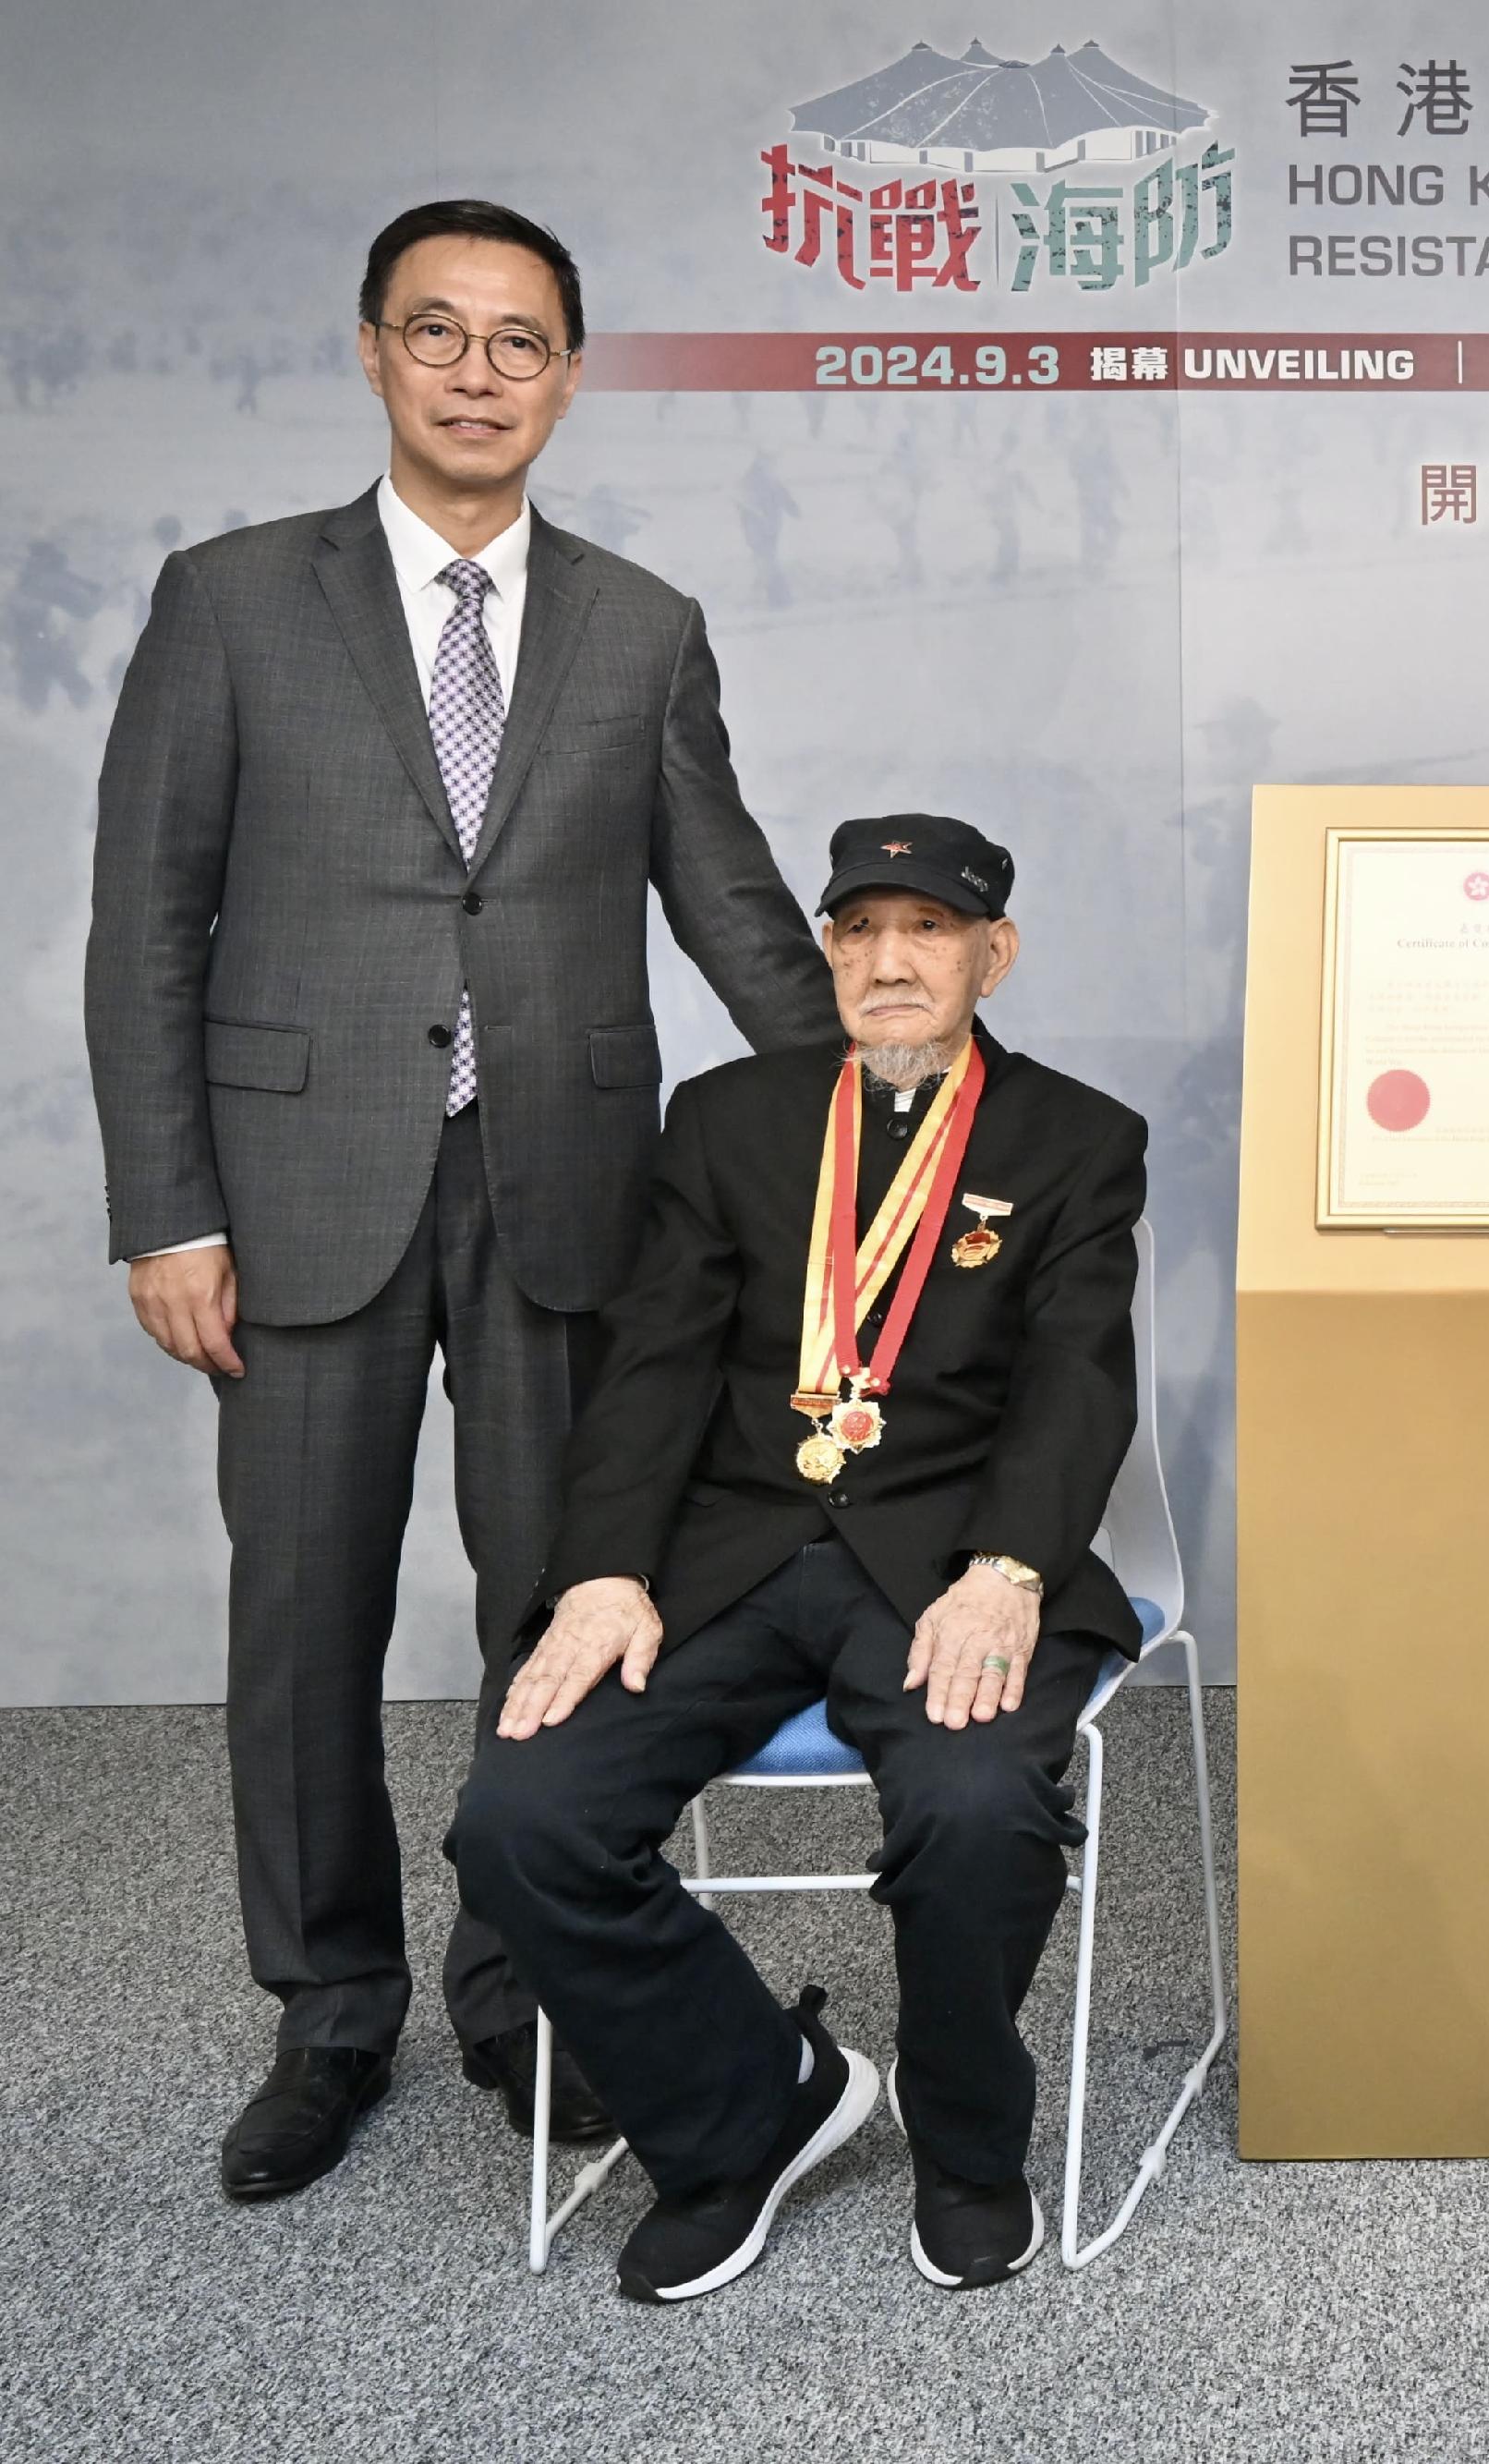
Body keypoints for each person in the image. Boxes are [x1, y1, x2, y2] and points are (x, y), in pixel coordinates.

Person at [82, 199, 838, 2203]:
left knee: (561, 1612)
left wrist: (900, 1109)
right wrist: (165, 1203)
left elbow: (740, 914)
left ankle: (528, 1990)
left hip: (571, 1192)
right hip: (300, 1188)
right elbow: (145, 921)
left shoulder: (643, 623)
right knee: (303, 1616)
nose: (481, 371)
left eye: (522, 342)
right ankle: (331, 2005)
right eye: (442, 333)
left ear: (571, 376)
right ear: (373, 353)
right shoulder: (232, 599)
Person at [448, 814, 1148, 2301]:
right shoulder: (728, 1120)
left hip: (953, 1563)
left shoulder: (1077, 1141)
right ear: (828, 952)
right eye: (859, 931)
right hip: (729, 1553)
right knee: (523, 1815)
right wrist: (604, 1569)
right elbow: (652, 1370)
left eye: (930, 930)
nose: (890, 960)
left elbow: (1078, 1378)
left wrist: (1013, 1567)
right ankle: (749, 2110)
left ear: (992, 956)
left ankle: (967, 2142)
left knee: (975, 1805)